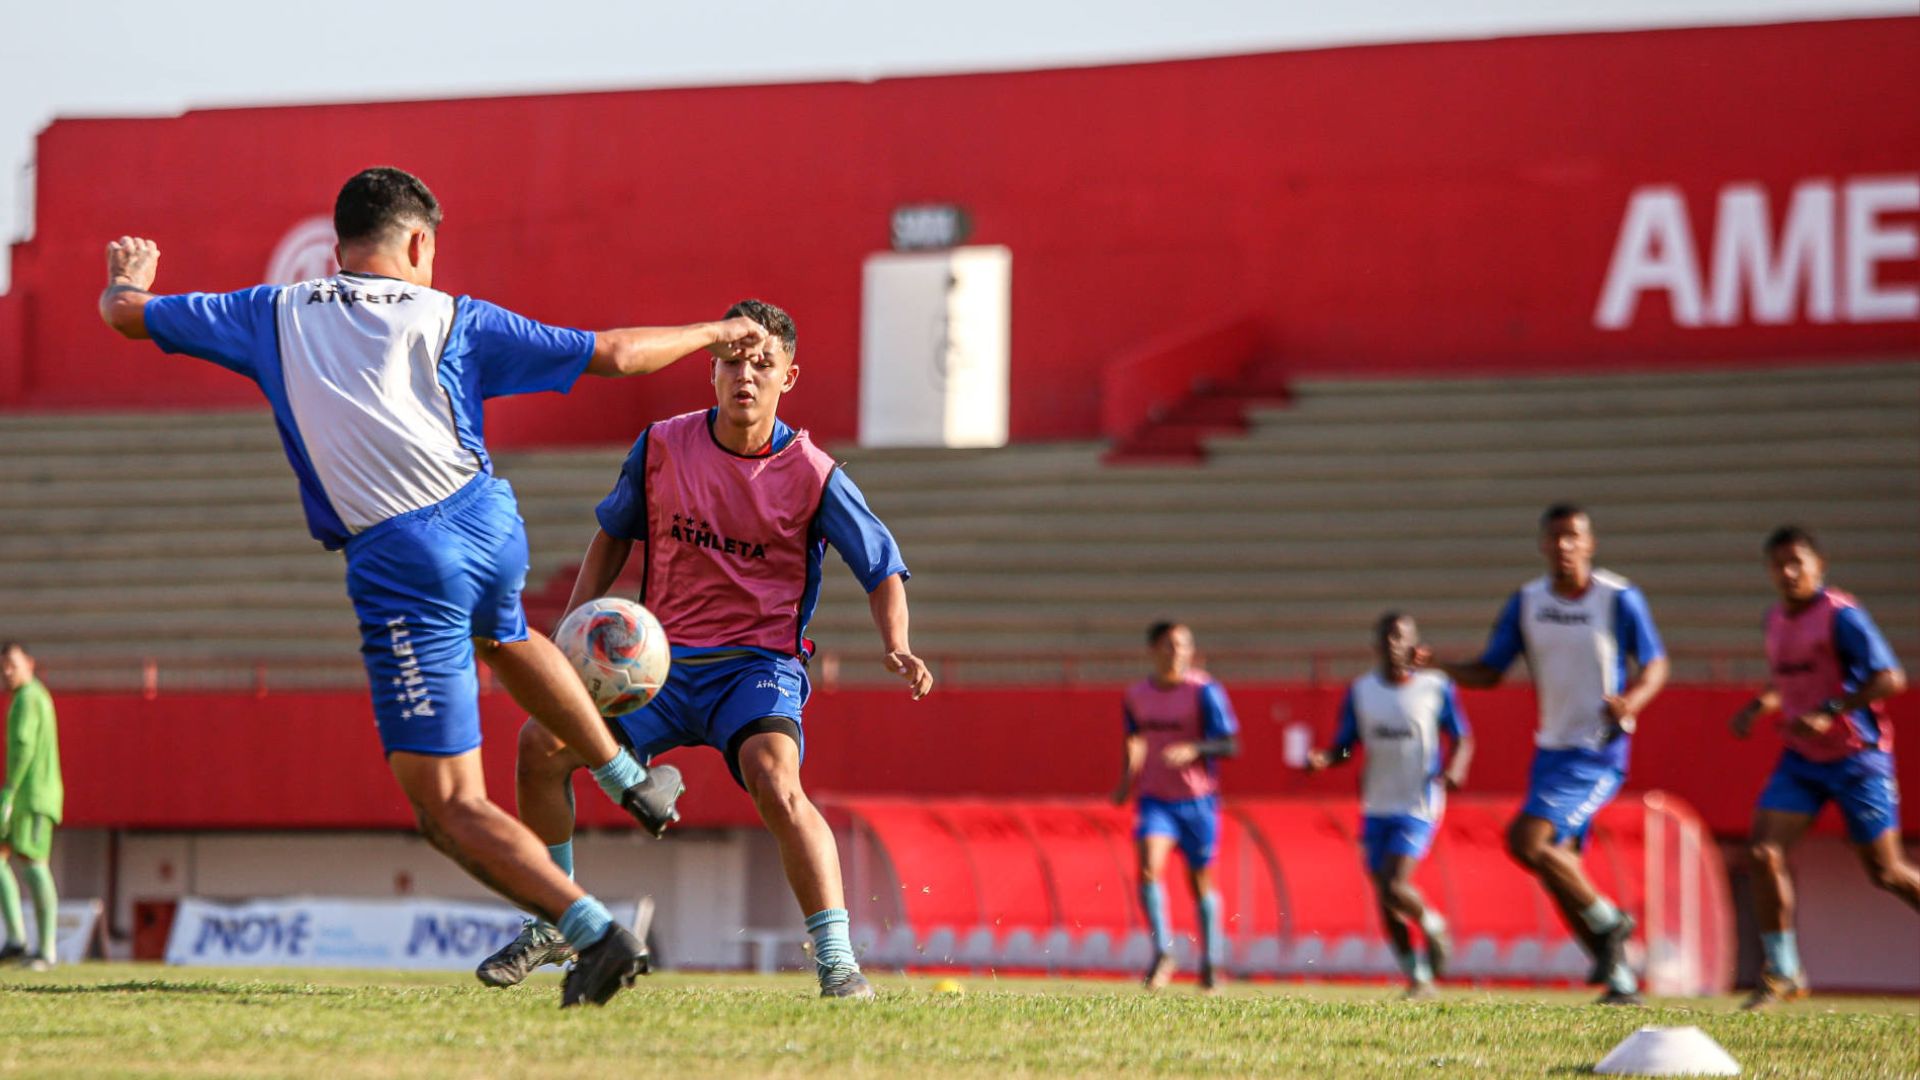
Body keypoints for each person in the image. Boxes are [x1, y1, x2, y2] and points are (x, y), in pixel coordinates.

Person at [96, 167, 774, 1007]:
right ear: (418, 243)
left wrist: (131, 278)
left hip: (403, 556)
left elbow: (123, 316)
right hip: (487, 518)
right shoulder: (454, 314)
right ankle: (627, 776)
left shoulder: (267, 312)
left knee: (450, 807)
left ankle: (594, 933)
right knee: (506, 635)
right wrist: (715, 330)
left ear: (337, 246)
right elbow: (616, 354)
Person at [479, 299, 932, 1000]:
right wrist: (571, 636)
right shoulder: (660, 446)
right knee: (540, 746)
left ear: (790, 377)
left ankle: (838, 961)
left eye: (763, 363)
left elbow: (883, 568)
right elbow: (612, 537)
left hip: (755, 668)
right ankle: (553, 919)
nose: (745, 375)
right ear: (711, 373)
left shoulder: (814, 473)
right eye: (731, 361)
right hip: (653, 665)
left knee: (775, 778)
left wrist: (897, 645)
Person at [1422, 503, 1668, 1005]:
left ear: (1590, 544)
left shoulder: (1618, 598)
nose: (1563, 545)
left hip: (1598, 751)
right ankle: (1620, 982)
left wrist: (1631, 702)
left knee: (1527, 841)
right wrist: (1438, 665)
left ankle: (1611, 922)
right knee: (1560, 871)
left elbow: (1657, 664)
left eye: (1573, 536)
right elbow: (1490, 671)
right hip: (1550, 752)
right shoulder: (1527, 602)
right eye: (1554, 537)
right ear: (1542, 544)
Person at [1731, 525, 1916, 1010]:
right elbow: (1789, 682)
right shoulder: (1775, 618)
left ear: (1819, 566)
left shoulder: (1842, 616)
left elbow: (1890, 678)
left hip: (1857, 759)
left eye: (1798, 562)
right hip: (1803, 760)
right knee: (1763, 853)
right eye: (1779, 564)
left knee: (1888, 871)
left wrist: (1832, 711)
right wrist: (1758, 706)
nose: (1789, 572)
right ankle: (1783, 972)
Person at [1307, 612, 1472, 999]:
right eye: (1386, 638)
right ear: (1376, 644)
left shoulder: (1436, 687)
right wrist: (1327, 758)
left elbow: (1461, 736)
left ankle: (1434, 925)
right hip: (1376, 804)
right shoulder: (1362, 690)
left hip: (1418, 801)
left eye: (1401, 638)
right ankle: (1418, 976)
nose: (1393, 645)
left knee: (1398, 884)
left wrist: (1456, 769)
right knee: (1384, 893)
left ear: (1415, 644)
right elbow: (1349, 744)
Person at [1110, 621, 1239, 992]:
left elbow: (1230, 744)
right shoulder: (1137, 695)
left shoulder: (1204, 691)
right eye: (1169, 645)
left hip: (1198, 801)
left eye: (1183, 645)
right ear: (1153, 650)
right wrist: (1124, 782)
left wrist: (1195, 748)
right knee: (1149, 868)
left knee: (1200, 882)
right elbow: (1133, 738)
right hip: (1156, 799)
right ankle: (1163, 952)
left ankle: (1211, 962)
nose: (1177, 652)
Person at [1, 642, 63, 970]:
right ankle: (15, 939)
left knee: (34, 864)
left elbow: (24, 747)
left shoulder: (28, 698)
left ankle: (46, 950)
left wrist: (9, 791)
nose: (7, 672)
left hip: (33, 796)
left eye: (12, 664)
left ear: (30, 663)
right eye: (3, 667)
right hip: (26, 796)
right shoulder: (29, 697)